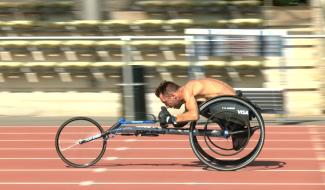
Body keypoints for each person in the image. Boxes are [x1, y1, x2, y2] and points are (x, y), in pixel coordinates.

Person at [155, 78, 252, 151]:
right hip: (229, 103)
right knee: (198, 106)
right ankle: (237, 130)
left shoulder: (188, 90)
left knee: (199, 107)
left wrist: (170, 119)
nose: (167, 106)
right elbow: (188, 115)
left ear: (173, 96)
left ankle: (237, 130)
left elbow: (194, 115)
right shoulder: (190, 90)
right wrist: (172, 121)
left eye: (166, 102)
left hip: (234, 105)